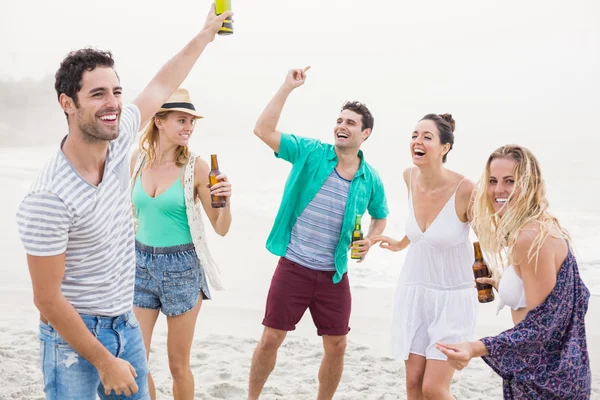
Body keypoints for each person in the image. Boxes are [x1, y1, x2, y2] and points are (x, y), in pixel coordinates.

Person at [14, 5, 233, 399]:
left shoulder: (117, 146)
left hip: (125, 324)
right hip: (72, 339)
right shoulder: (48, 197)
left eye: (116, 91)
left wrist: (204, 35)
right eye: (97, 94)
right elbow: (46, 299)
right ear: (68, 103)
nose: (113, 103)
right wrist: (103, 360)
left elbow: (162, 84)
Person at [247, 67, 389, 400]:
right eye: (340, 120)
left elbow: (380, 217)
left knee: (337, 345)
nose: (342, 126)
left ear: (365, 133)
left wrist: (370, 239)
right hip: (294, 266)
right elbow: (262, 129)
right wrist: (287, 87)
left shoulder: (371, 178)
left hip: (333, 274)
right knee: (270, 339)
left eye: (351, 123)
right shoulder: (310, 152)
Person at [436, 144, 591, 399]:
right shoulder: (542, 226)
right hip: (558, 372)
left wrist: (475, 348)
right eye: (493, 181)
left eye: (510, 181)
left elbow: (542, 329)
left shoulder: (530, 238)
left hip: (545, 382)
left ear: (530, 184)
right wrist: (507, 284)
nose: (498, 190)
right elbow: (562, 301)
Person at [129, 87, 232, 400]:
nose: (188, 126)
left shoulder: (198, 168)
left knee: (177, 364)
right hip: (139, 265)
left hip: (182, 270)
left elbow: (221, 228)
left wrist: (225, 202)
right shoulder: (136, 160)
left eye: (191, 121)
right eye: (181, 120)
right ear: (159, 121)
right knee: (135, 360)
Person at [372, 113, 478, 399]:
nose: (417, 141)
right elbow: (423, 225)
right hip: (415, 291)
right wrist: (401, 242)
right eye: (414, 135)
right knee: (414, 384)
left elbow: (488, 236)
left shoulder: (466, 189)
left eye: (427, 137)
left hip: (453, 298)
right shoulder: (409, 176)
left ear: (445, 147)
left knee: (434, 388)